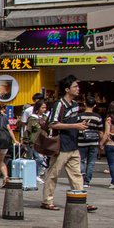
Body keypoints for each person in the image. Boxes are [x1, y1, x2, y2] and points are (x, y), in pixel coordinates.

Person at [41, 76, 96, 212]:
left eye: (78, 86)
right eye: (75, 87)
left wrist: (80, 125)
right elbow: (53, 124)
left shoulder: (75, 105)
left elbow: (72, 123)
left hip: (73, 144)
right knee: (53, 173)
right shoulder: (59, 104)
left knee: (76, 175)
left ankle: (80, 200)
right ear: (67, 89)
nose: (78, 89)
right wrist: (75, 125)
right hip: (61, 145)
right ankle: (47, 201)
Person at [77, 98, 103, 187]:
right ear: (95, 105)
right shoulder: (98, 117)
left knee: (82, 160)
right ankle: (87, 181)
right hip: (94, 142)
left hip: (81, 141)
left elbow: (75, 128)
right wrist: (101, 142)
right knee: (91, 162)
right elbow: (100, 131)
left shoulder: (79, 116)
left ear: (84, 104)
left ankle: (82, 177)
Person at [101, 100, 114, 190]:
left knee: (112, 164)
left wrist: (101, 144)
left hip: (110, 144)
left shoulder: (108, 119)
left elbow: (106, 134)